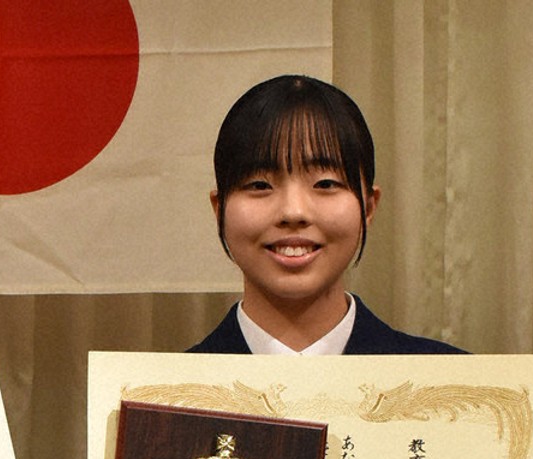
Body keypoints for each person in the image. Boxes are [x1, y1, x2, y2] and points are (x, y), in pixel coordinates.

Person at [188, 75, 465, 355]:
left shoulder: (458, 386)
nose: (293, 212)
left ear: (368, 206)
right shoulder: (159, 393)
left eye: (325, 184)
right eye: (260, 185)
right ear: (219, 210)